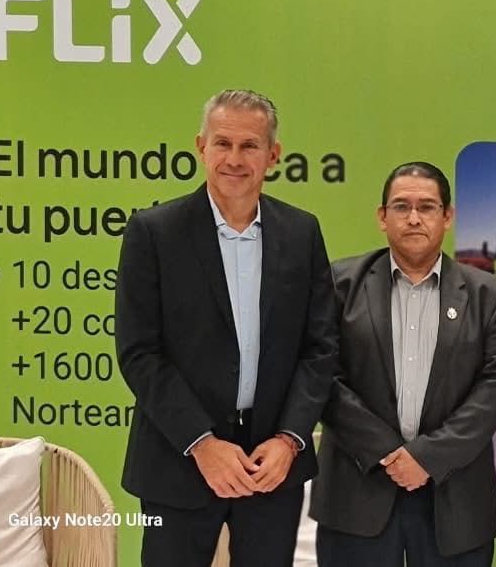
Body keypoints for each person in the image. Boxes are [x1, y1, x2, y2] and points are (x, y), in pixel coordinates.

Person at [115, 89, 337, 566]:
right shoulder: (154, 232)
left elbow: (320, 348)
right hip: (178, 461)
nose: (234, 159)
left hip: (271, 466)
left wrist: (289, 440)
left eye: (249, 145)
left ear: (273, 155)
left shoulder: (302, 232)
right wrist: (201, 443)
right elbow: (139, 353)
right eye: (222, 143)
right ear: (201, 147)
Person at [311, 162, 496, 566]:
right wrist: (388, 453)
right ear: (382, 217)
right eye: (401, 206)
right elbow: (322, 375)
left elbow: (495, 388)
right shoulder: (339, 284)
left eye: (426, 207)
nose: (414, 218)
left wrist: (427, 457)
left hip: (454, 501)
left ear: (447, 216)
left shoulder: (490, 295)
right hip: (357, 493)